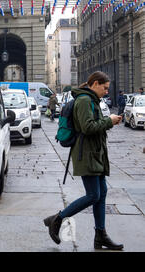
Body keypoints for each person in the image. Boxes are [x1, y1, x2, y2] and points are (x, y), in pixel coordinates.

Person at [43, 71, 124, 250]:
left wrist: (108, 121)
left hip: (95, 153)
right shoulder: (85, 101)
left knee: (101, 194)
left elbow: (92, 124)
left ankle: (100, 236)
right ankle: (57, 219)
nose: (106, 91)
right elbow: (87, 127)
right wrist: (108, 121)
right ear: (95, 84)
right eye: (105, 88)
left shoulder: (90, 100)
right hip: (86, 154)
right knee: (93, 195)